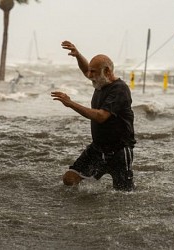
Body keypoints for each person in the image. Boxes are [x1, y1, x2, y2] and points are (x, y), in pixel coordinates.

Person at [51, 40, 136, 191]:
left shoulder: (119, 89)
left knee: (123, 195)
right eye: (89, 71)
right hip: (97, 148)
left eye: (93, 72)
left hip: (119, 150)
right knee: (69, 179)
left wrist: (70, 103)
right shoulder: (100, 82)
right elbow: (86, 70)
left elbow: (101, 116)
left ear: (108, 71)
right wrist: (78, 55)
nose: (89, 75)